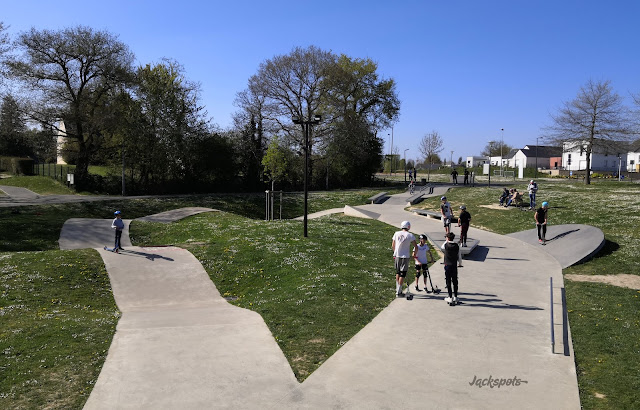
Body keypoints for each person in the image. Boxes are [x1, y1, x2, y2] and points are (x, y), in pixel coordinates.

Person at [392, 220, 417, 297]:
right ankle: (399, 291)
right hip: (405, 256)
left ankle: (397, 288)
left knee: (398, 272)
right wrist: (414, 255)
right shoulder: (410, 235)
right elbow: (415, 246)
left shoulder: (396, 233)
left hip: (397, 256)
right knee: (403, 274)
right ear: (408, 227)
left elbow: (393, 245)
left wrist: (395, 253)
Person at [441, 232, 463, 304]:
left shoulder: (446, 245)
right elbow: (459, 255)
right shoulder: (457, 245)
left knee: (448, 281)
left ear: (447, 238)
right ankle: (455, 296)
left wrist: (446, 240)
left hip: (447, 265)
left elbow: (441, 247)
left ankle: (450, 297)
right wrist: (460, 263)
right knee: (455, 281)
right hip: (454, 265)